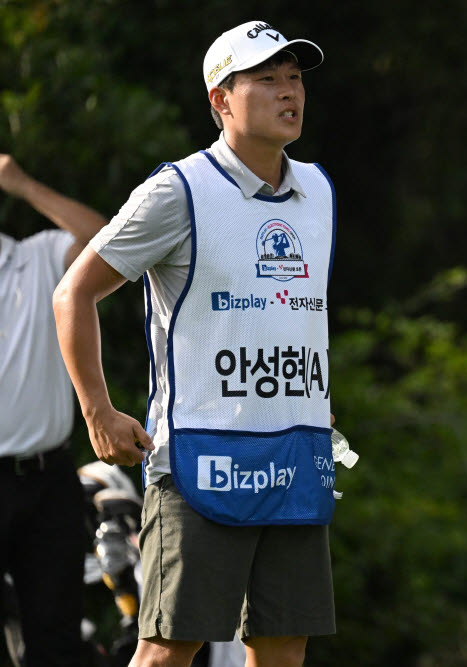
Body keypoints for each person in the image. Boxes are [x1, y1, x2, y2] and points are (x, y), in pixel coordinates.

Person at [53, 20, 339, 667]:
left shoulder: (317, 190)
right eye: (266, 78)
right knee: (165, 649)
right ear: (220, 99)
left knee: (283, 649)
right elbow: (72, 295)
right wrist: (98, 410)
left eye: (294, 77)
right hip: (200, 461)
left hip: (297, 458)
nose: (288, 91)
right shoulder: (179, 190)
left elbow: (295, 318)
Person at [0, 154, 107, 665]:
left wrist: (23, 185)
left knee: (56, 644)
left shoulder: (35, 257)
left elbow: (105, 239)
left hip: (48, 485)